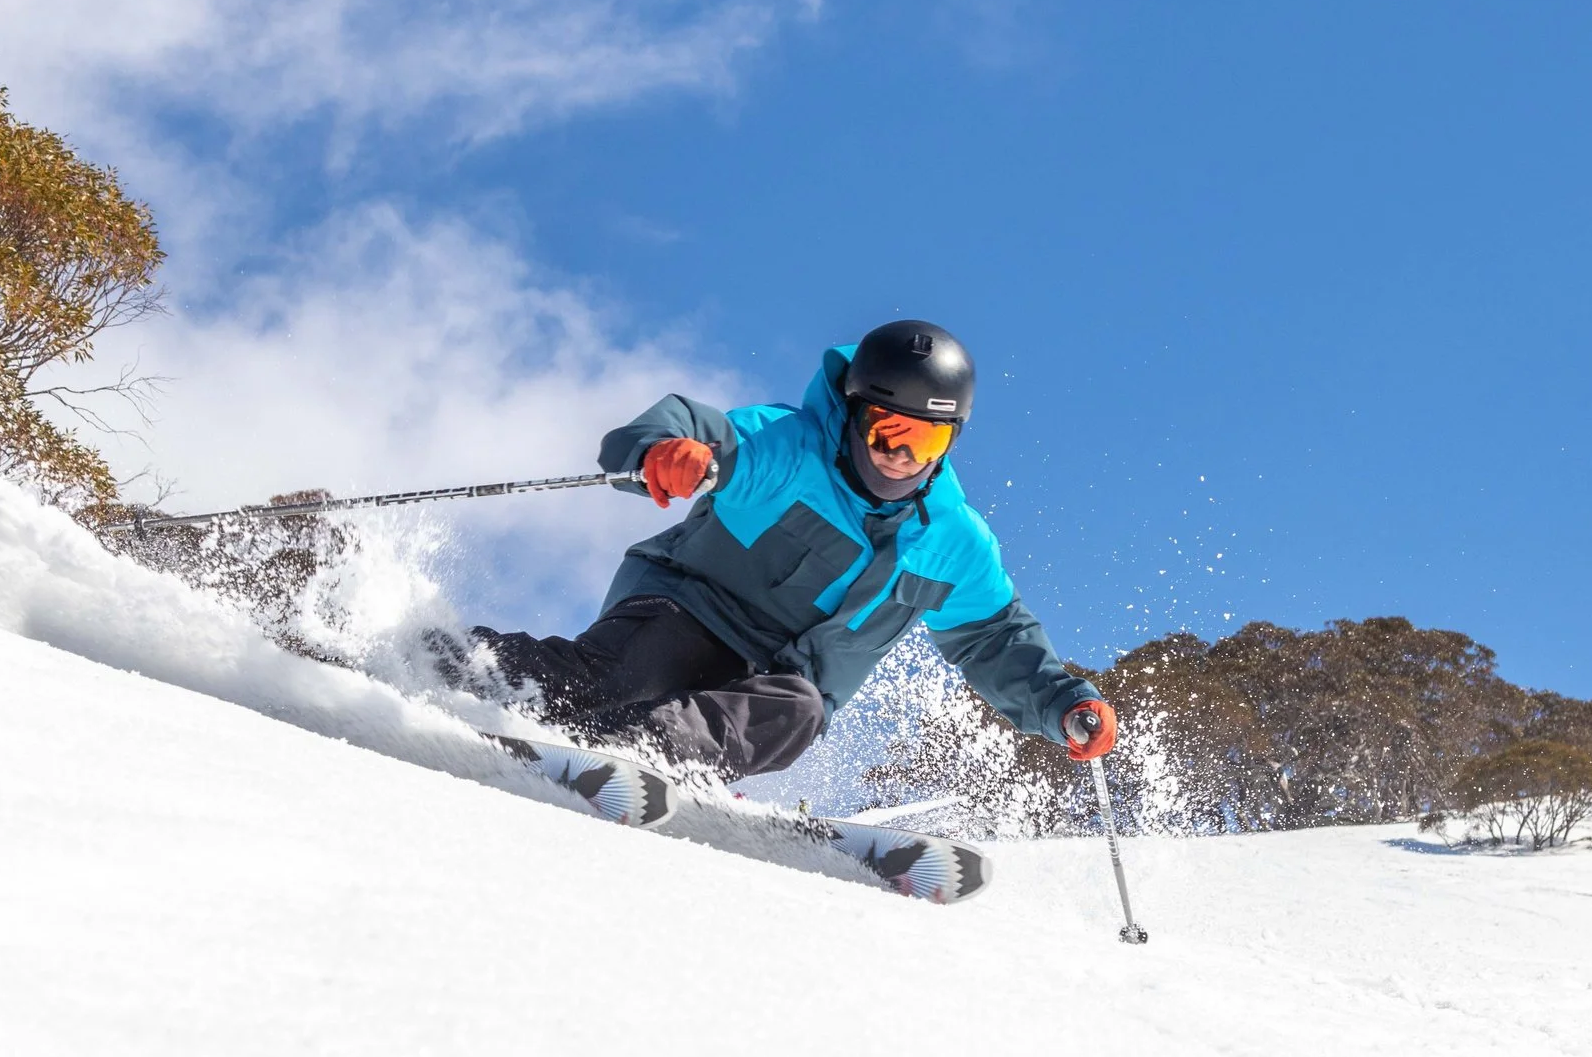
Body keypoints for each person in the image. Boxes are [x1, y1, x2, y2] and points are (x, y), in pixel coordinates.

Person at [471, 319, 1118, 782]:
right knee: (626, 674)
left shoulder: (953, 542)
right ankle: (449, 659)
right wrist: (663, 451)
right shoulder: (788, 449)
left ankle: (653, 753)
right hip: (687, 611)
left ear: (950, 443)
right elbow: (691, 427)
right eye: (887, 433)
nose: (899, 459)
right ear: (856, 412)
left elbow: (996, 641)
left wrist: (1062, 702)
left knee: (800, 710)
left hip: (774, 683)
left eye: (923, 444)